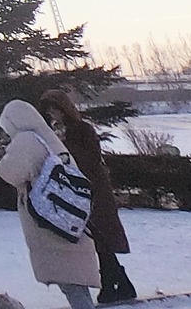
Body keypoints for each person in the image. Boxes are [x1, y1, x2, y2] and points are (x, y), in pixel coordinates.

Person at [0, 99, 102, 309]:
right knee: (74, 280)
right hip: (65, 216)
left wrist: (2, 158)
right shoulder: (47, 137)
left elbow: (11, 173)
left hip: (50, 220)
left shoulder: (26, 140)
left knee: (72, 283)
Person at [39, 89, 137, 303]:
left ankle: (115, 283)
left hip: (94, 190)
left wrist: (63, 146)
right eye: (49, 110)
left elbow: (90, 158)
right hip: (78, 192)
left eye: (54, 108)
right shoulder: (59, 130)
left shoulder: (81, 129)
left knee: (100, 237)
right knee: (96, 238)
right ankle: (116, 282)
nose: (52, 113)